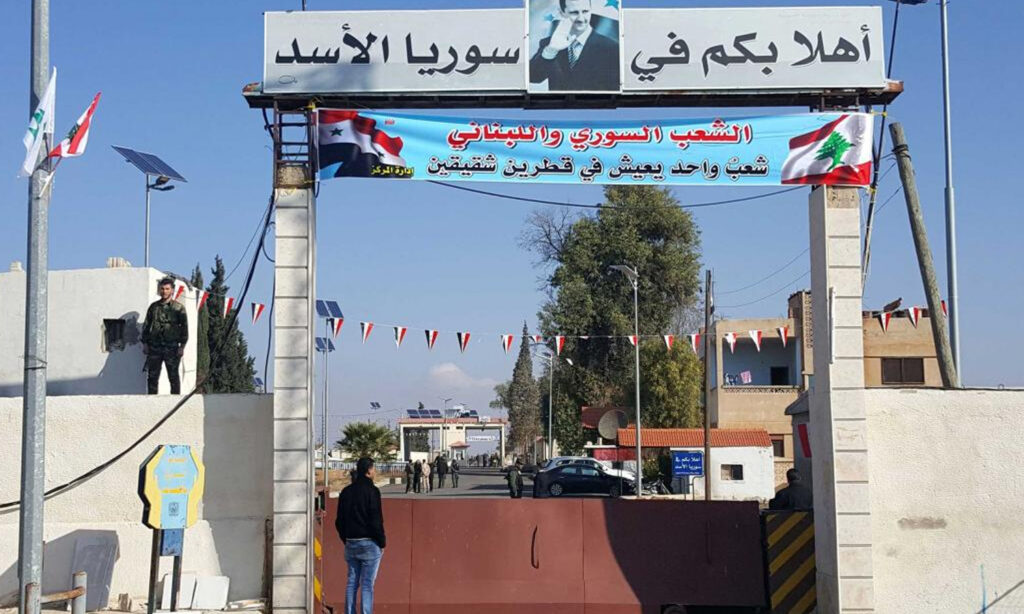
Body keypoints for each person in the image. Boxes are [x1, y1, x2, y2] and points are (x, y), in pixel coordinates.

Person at [529, 0, 619, 92]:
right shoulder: (549, 44)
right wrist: (552, 49)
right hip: (558, 106)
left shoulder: (611, 48)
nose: (581, 19)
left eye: (585, 11)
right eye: (574, 12)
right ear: (562, 13)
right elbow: (533, 76)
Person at [335, 457, 386, 614]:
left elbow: (339, 521)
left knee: (352, 582)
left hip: (351, 542)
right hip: (369, 543)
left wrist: (346, 539)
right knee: (367, 584)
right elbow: (376, 520)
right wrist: (382, 542)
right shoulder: (373, 491)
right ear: (369, 470)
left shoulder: (346, 492)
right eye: (374, 468)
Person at [141, 277, 189, 395]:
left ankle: (174, 402)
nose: (164, 291)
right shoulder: (153, 307)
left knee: (173, 377)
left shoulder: (178, 308)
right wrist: (145, 344)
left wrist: (182, 346)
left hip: (171, 347)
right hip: (155, 347)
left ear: (172, 290)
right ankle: (151, 401)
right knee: (152, 377)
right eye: (162, 289)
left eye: (167, 289)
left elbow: (184, 328)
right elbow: (147, 325)